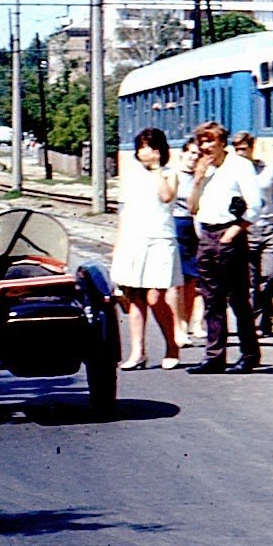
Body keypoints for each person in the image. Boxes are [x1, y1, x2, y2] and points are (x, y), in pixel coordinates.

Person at [186, 120, 264, 374]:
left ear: (222, 143)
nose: (206, 147)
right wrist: (197, 180)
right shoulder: (204, 170)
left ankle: (249, 354)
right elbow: (192, 208)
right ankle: (214, 356)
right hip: (206, 235)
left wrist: (232, 233)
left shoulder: (239, 166)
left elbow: (256, 204)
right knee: (211, 299)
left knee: (238, 298)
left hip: (229, 233)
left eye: (210, 141)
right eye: (202, 142)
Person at [112, 128, 182, 371]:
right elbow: (125, 212)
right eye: (142, 147)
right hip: (135, 239)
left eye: (151, 148)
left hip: (161, 240)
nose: (146, 152)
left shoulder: (170, 174)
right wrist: (118, 248)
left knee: (155, 297)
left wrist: (156, 170)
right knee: (135, 298)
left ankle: (172, 346)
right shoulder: (131, 176)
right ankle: (137, 352)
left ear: (161, 150)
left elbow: (166, 197)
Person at [231, 131, 273, 337]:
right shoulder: (233, 172)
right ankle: (259, 322)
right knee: (252, 280)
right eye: (236, 150)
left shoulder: (267, 170)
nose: (240, 153)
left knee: (271, 275)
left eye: (244, 149)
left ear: (252, 147)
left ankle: (265, 312)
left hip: (269, 227)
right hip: (246, 229)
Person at [171, 136, 205, 346]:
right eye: (191, 153)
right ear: (183, 153)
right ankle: (179, 326)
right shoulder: (174, 175)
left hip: (197, 228)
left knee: (193, 280)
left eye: (198, 154)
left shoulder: (201, 176)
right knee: (178, 281)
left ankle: (191, 322)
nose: (194, 158)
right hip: (178, 225)